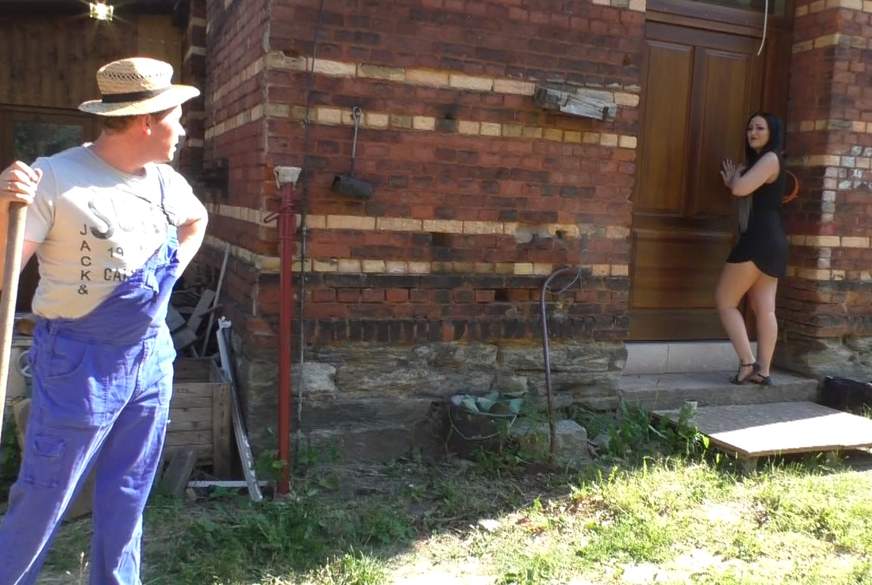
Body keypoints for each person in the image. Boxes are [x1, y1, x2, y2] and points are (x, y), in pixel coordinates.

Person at [0, 57, 207, 585]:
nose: (183, 129)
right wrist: (4, 209)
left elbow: (196, 219)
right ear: (147, 121)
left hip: (151, 357)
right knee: (45, 496)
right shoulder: (55, 178)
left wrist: (169, 277)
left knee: (129, 490)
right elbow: (3, 270)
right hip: (79, 363)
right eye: (177, 118)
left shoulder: (166, 182)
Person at [716, 112, 788, 386]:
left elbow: (740, 189)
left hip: (758, 239)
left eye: (760, 128)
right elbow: (744, 189)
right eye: (750, 128)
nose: (753, 133)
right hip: (773, 239)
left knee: (725, 301)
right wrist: (736, 181)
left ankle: (748, 363)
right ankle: (763, 371)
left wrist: (736, 178)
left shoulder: (769, 158)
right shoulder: (767, 161)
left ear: (772, 133)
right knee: (764, 309)